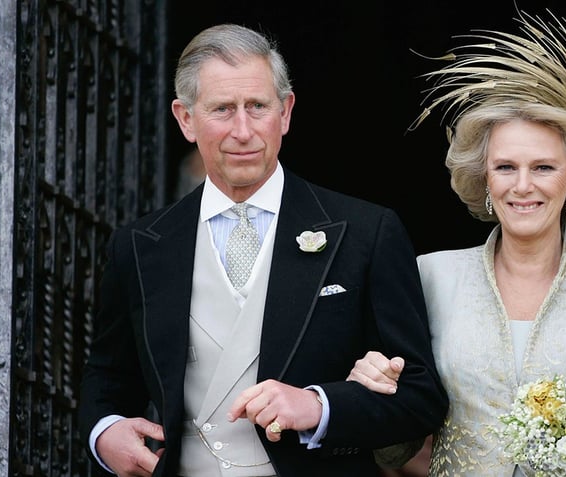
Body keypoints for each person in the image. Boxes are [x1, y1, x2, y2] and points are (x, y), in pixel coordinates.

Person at [78, 23, 448, 477]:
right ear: (185, 119)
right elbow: (107, 378)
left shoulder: (368, 232)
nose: (243, 130)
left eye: (257, 107)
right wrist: (105, 431)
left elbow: (421, 395)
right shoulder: (137, 246)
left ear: (286, 112)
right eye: (222, 109)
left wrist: (319, 406)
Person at [348, 9, 566, 476]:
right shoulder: (430, 276)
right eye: (506, 167)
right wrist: (373, 398)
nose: (522, 186)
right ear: (484, 178)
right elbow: (394, 449)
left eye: (543, 167)